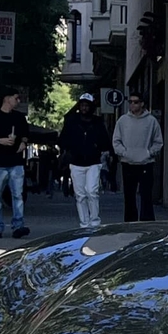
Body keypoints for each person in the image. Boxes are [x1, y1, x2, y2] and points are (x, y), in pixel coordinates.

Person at [0, 89, 34, 239]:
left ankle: (18, 226)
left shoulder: (19, 118)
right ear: (7, 99)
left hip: (16, 162)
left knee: (18, 195)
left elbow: (26, 135)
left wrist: (23, 143)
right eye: (16, 98)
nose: (18, 101)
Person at [61, 91, 111, 232]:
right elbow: (63, 139)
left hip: (93, 162)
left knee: (92, 191)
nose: (84, 108)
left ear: (91, 107)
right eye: (82, 105)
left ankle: (94, 221)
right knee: (80, 194)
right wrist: (69, 150)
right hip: (76, 162)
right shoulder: (72, 121)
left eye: (86, 105)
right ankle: (84, 223)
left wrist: (100, 149)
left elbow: (104, 141)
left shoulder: (98, 122)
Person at [112, 91, 163, 222]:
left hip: (146, 163)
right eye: (130, 102)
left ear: (142, 104)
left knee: (146, 196)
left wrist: (149, 153)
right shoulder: (123, 121)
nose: (132, 105)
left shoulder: (151, 121)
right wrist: (124, 153)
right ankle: (130, 223)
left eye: (135, 102)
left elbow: (158, 142)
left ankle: (147, 223)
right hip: (128, 163)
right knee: (129, 196)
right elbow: (116, 141)